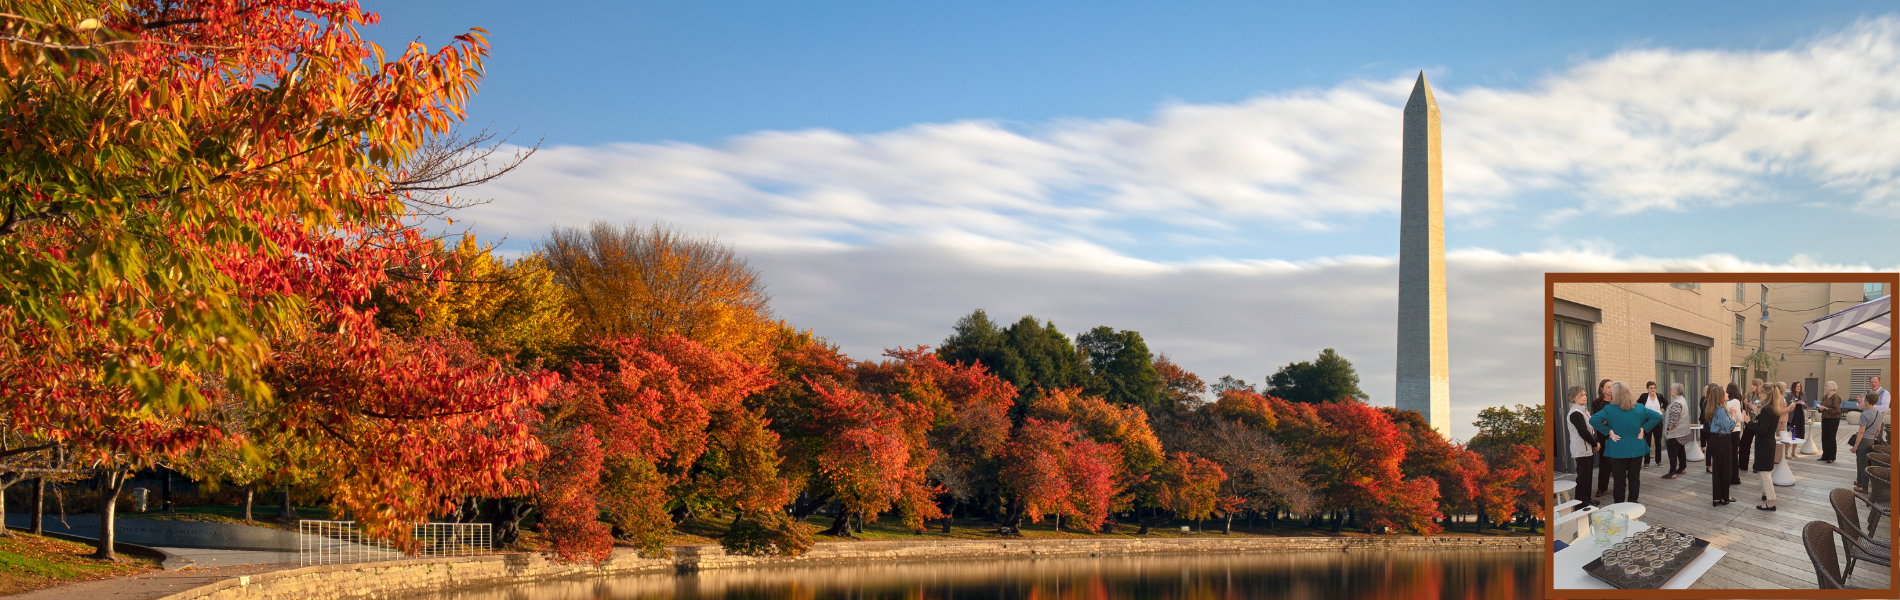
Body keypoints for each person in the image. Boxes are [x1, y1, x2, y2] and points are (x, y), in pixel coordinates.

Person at [1590, 382, 1663, 505]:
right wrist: (1644, 428)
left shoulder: (1609, 409)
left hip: (1617, 448)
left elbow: (1593, 420)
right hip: (1636, 447)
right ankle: (1633, 503)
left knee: (1619, 479)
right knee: (1634, 478)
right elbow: (1657, 416)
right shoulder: (1639, 407)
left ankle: (1619, 505)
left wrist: (1608, 431)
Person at [1750, 383, 1789, 511]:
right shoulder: (1773, 408)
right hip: (1768, 443)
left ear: (1767, 394)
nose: (1759, 395)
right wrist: (1757, 413)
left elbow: (1762, 430)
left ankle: (1771, 503)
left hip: (1764, 444)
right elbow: (1766, 423)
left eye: (1761, 393)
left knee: (1765, 473)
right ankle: (1765, 494)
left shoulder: (1767, 409)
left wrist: (1748, 422)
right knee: (1764, 471)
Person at [1563, 385, 1601, 509]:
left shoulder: (1582, 410)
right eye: (1581, 395)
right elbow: (1583, 432)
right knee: (1583, 477)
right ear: (1574, 398)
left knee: (1587, 476)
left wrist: (1594, 443)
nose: (1585, 397)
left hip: (1587, 448)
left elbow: (1591, 430)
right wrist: (1596, 443)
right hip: (1581, 449)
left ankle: (1587, 499)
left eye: (1585, 394)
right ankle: (1580, 503)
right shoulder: (1575, 413)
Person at [1703, 383, 1739, 506]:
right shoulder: (1720, 410)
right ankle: (1724, 498)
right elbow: (1729, 427)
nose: (1727, 394)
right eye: (1725, 393)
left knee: (1717, 469)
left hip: (1714, 440)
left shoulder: (1713, 408)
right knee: (1725, 470)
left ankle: (1717, 498)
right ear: (1720, 396)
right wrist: (1733, 414)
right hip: (1722, 441)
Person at [1852, 392, 1887, 495]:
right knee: (1861, 461)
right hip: (1872, 440)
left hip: (1863, 441)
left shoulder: (1864, 414)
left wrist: (1855, 445)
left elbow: (1861, 432)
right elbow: (1879, 429)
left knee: (1862, 464)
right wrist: (1875, 437)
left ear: (1866, 400)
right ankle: (1859, 481)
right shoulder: (1879, 413)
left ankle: (1864, 487)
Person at [1662, 382, 1693, 478]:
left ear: (1675, 391)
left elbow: (1674, 419)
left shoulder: (1677, 403)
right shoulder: (1682, 400)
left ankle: (1672, 473)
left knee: (1672, 453)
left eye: (1671, 389)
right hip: (1682, 431)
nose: (1670, 390)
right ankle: (1682, 468)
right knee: (1680, 450)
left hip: (1675, 433)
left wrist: (1668, 429)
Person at [1591, 378, 1614, 498]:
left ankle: (1621, 485)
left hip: (1616, 435)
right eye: (1608, 387)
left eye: (1612, 387)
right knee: (1604, 462)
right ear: (1602, 389)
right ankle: (1602, 488)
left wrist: (1607, 420)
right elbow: (1597, 420)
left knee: (1617, 461)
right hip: (1603, 435)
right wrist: (1610, 420)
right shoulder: (1597, 403)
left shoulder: (1616, 401)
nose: (1611, 389)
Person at [1818, 381, 1845, 464]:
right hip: (1825, 418)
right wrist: (1820, 408)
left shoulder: (1836, 397)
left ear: (1830, 387)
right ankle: (1825, 455)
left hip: (1833, 419)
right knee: (1824, 437)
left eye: (1826, 386)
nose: (1825, 387)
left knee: (1831, 438)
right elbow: (1820, 408)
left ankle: (1831, 457)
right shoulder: (1825, 397)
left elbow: (1837, 410)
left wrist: (1826, 408)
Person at [1640, 381, 1665, 466]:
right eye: (1651, 388)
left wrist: (1662, 409)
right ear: (1647, 389)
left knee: (1658, 442)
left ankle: (1658, 461)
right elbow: (1637, 405)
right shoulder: (1644, 396)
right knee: (1647, 442)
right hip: (1647, 422)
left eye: (1654, 388)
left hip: (1658, 422)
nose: (1653, 389)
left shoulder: (1659, 396)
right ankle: (1646, 462)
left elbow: (1666, 403)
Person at [1785, 381, 1807, 460]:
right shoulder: (1789, 395)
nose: (1798, 388)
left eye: (1799, 386)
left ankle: (1793, 452)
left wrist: (1804, 404)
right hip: (1792, 416)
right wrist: (1796, 402)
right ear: (1794, 387)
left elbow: (1805, 405)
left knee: (1798, 434)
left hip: (1800, 416)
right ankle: (1786, 452)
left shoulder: (1803, 394)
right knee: (1790, 434)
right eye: (1797, 386)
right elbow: (1787, 405)